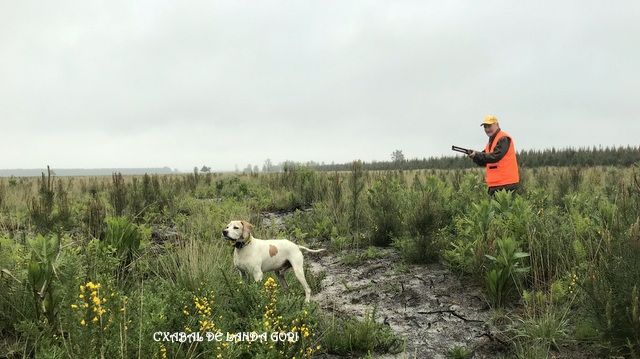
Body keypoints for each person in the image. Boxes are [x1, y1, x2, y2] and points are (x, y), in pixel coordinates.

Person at [468, 115, 520, 195]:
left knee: (504, 207)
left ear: (497, 125)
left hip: (506, 184)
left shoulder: (503, 138)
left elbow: (495, 157)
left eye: (489, 126)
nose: (487, 129)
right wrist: (474, 156)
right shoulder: (491, 142)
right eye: (485, 127)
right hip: (495, 184)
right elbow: (484, 161)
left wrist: (477, 155)